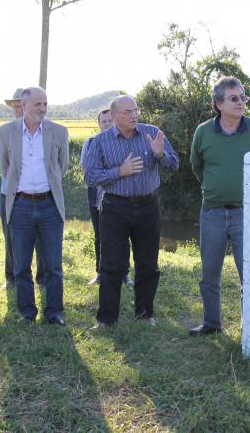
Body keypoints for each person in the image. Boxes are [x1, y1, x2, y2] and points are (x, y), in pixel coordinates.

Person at [188, 76, 250, 336]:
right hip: (212, 212)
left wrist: (249, 193)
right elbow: (197, 166)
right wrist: (214, 187)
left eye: (243, 97)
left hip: (246, 214)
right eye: (234, 98)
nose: (241, 102)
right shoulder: (203, 132)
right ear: (218, 103)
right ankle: (211, 324)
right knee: (209, 273)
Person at [85, 95, 179, 328]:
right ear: (114, 115)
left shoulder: (152, 133)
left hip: (148, 205)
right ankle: (106, 319)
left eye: (135, 110)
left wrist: (160, 154)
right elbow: (90, 176)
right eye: (127, 112)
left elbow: (174, 165)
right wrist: (120, 171)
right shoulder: (100, 141)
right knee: (112, 265)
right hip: (115, 207)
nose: (134, 115)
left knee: (148, 263)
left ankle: (145, 314)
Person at [0, 87, 69, 325]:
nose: (43, 109)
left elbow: (62, 165)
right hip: (21, 205)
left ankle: (54, 313)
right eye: (38, 104)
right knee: (21, 265)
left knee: (53, 265)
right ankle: (27, 312)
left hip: (49, 204)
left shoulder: (58, 131)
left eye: (45, 104)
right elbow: (5, 167)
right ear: (24, 105)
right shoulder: (6, 131)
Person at [79, 108, 131, 286]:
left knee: (123, 236)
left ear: (116, 120)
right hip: (96, 195)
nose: (107, 124)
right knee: (99, 236)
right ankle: (101, 273)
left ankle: (124, 273)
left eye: (110, 120)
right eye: (104, 121)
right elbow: (88, 171)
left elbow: (127, 170)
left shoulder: (123, 142)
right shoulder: (91, 143)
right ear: (99, 124)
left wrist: (106, 172)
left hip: (119, 196)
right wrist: (115, 171)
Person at [1, 88, 45, 289]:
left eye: (21, 105)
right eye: (15, 106)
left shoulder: (44, 130)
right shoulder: (6, 131)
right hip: (10, 193)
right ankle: (12, 277)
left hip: (40, 194)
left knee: (42, 240)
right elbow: (4, 165)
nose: (18, 109)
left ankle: (42, 278)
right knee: (11, 237)